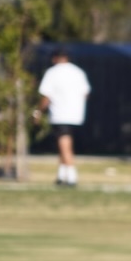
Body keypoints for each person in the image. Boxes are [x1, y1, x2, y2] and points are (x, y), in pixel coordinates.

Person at [34, 48, 90, 188]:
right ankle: (61, 174)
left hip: (60, 113)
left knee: (64, 144)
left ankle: (71, 176)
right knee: (63, 144)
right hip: (76, 114)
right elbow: (85, 93)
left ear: (55, 58)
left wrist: (38, 112)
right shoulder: (78, 72)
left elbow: (46, 96)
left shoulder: (52, 73)